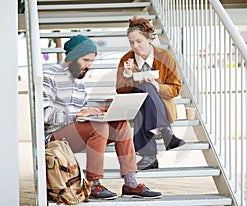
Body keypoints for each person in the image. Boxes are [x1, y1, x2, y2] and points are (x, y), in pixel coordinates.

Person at [43, 34, 161, 200]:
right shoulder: (49, 76)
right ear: (72, 57)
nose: (89, 66)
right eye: (85, 60)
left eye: (91, 61)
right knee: (99, 127)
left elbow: (82, 115)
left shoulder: (79, 82)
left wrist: (101, 112)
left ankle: (130, 183)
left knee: (120, 123)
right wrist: (79, 114)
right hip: (55, 138)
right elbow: (44, 114)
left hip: (76, 133)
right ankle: (93, 184)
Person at [116, 16, 185, 170]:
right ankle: (164, 130)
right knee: (143, 90)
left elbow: (176, 88)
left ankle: (149, 156)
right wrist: (127, 75)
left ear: (149, 38)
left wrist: (156, 86)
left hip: (161, 106)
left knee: (147, 87)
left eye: (139, 41)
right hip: (136, 106)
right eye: (131, 42)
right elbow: (120, 90)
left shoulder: (166, 57)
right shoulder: (126, 60)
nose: (135, 46)